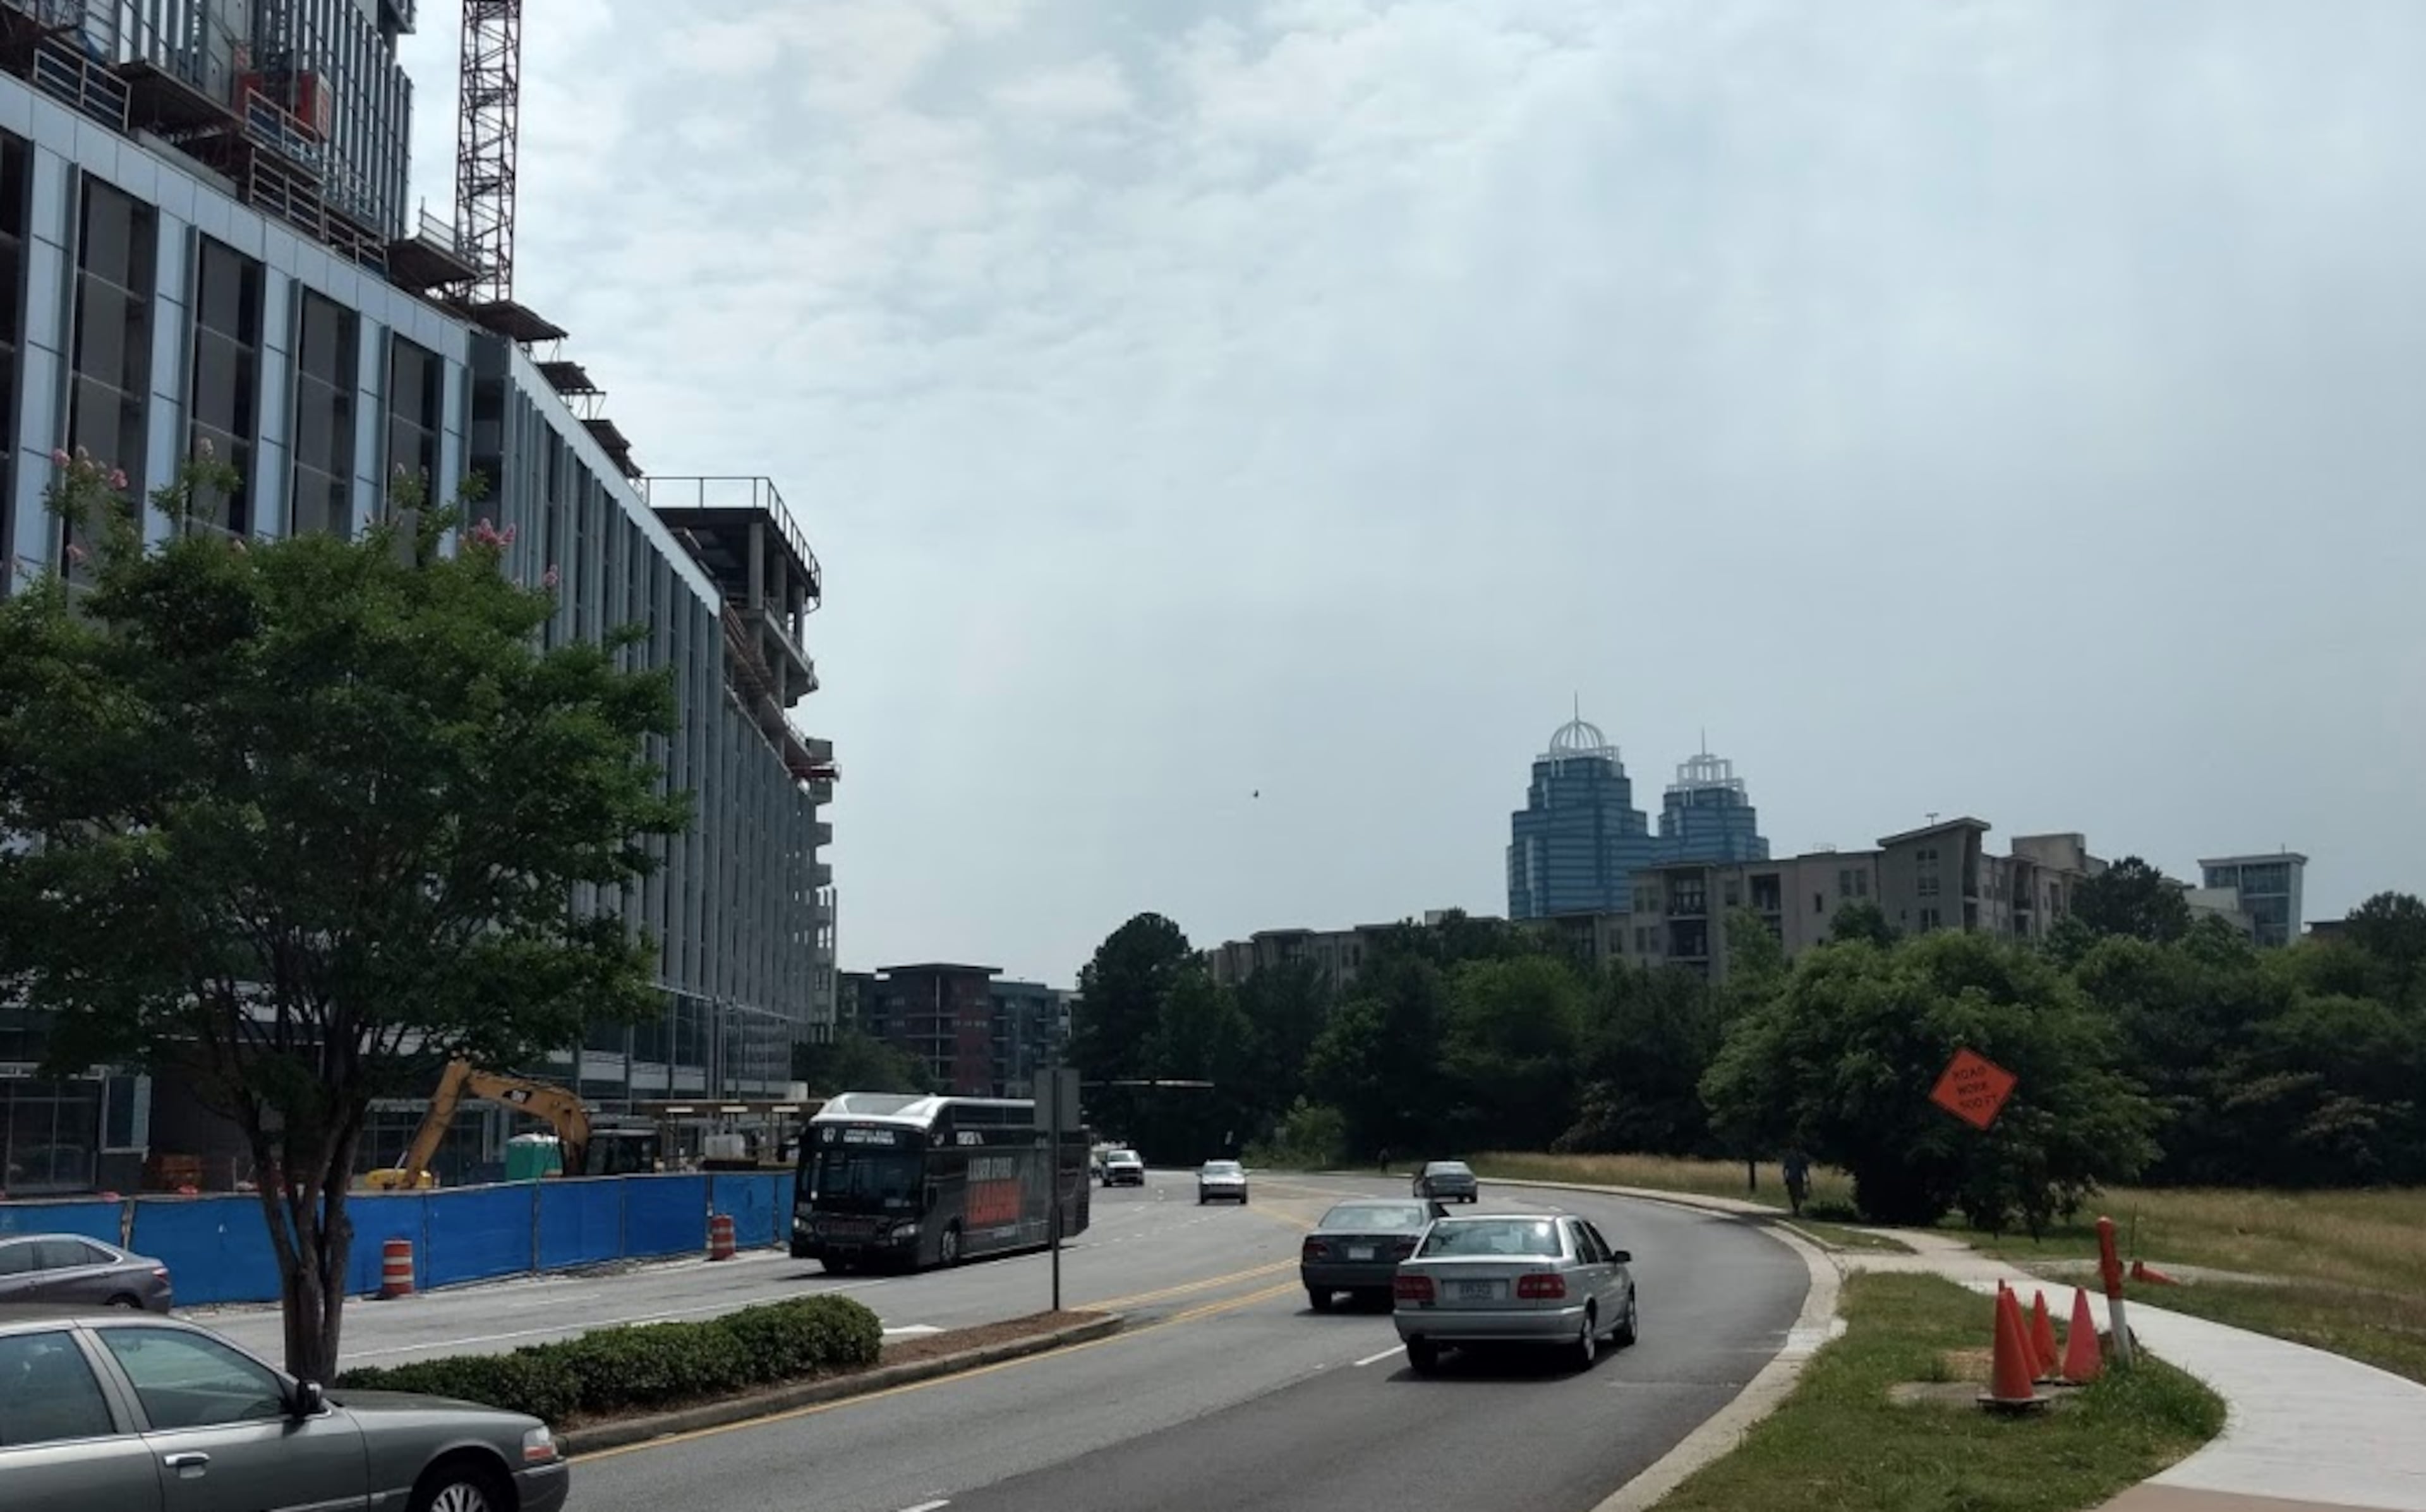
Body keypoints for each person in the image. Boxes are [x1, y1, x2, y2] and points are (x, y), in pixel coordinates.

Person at [1782, 1148, 1812, 1216]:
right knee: (1793, 1194)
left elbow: (1805, 1169)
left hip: (1798, 1179)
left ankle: (1796, 1209)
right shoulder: (1789, 1158)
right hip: (1792, 1179)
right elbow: (1784, 1169)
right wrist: (1785, 1178)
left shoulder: (1801, 1159)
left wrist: (1808, 1178)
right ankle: (1795, 1208)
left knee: (1798, 1194)